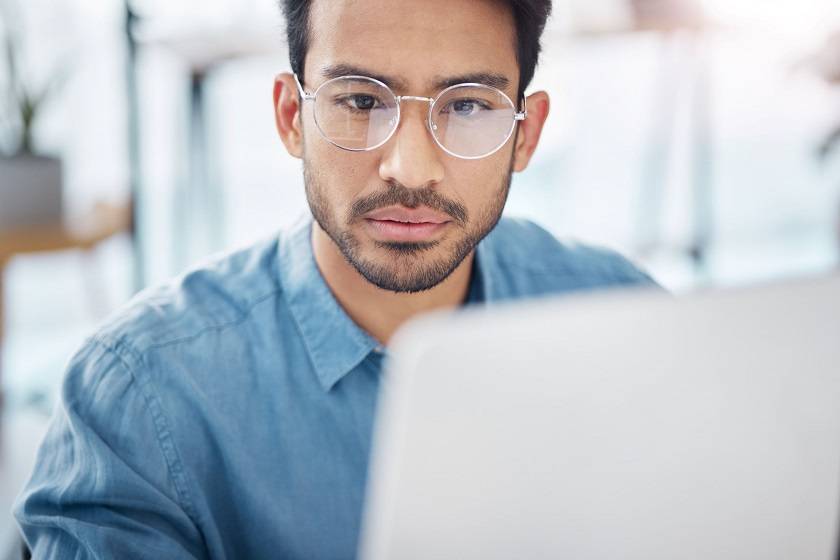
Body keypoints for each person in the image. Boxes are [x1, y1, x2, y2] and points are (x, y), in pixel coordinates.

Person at [14, 0, 657, 558]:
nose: (409, 169)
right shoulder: (141, 395)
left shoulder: (626, 320)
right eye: (359, 100)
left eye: (466, 106)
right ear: (293, 116)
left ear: (526, 134)